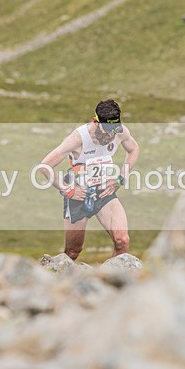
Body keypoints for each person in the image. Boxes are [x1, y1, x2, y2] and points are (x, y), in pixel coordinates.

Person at [39, 99, 139, 260]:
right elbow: (45, 166)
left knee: (122, 241)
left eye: (114, 129)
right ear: (96, 121)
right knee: (73, 252)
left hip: (104, 191)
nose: (111, 135)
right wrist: (67, 189)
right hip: (79, 194)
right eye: (107, 130)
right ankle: (58, 279)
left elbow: (134, 149)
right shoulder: (78, 138)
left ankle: (115, 281)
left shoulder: (120, 132)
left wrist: (121, 178)